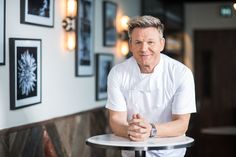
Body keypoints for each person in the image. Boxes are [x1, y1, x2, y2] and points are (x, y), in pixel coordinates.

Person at [105, 15, 196, 157]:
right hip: (132, 153)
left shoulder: (181, 73)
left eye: (150, 42)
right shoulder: (117, 73)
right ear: (130, 45)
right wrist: (131, 130)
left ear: (162, 44)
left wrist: (151, 130)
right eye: (138, 42)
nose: (144, 48)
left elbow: (181, 124)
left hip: (170, 153)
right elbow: (116, 119)